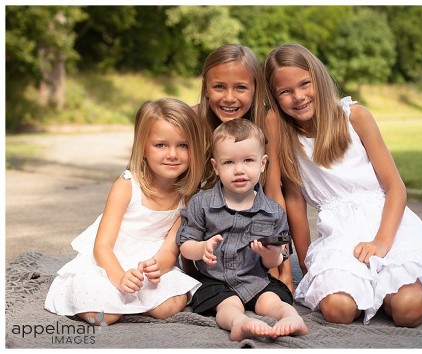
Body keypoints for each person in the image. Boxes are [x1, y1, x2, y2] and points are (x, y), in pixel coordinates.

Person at [263, 43, 422, 327]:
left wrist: (382, 242)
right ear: (275, 97)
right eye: (285, 91)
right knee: (338, 310)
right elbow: (292, 200)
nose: (298, 96)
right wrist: (304, 262)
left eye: (304, 84)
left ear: (319, 79)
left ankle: (386, 288)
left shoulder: (354, 117)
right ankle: (363, 287)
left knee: (409, 310)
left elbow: (396, 188)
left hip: (387, 226)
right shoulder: (279, 127)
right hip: (339, 235)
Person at [44, 97, 206, 325]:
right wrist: (119, 277)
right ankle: (117, 300)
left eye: (183, 145)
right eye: (161, 145)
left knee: (170, 306)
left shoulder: (188, 196)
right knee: (104, 316)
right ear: (144, 148)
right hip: (109, 261)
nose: (172, 154)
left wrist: (156, 266)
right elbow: (102, 246)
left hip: (147, 265)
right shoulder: (127, 185)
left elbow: (171, 248)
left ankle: (134, 301)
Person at [176, 119, 308, 341]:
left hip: (254, 278)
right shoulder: (202, 203)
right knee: (228, 304)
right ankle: (239, 323)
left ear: (263, 163)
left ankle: (292, 318)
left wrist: (271, 256)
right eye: (228, 162)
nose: (239, 170)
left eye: (248, 160)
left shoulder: (273, 211)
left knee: (272, 300)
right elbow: (185, 245)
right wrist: (201, 249)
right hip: (215, 280)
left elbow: (276, 259)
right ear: (216, 167)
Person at [186, 43, 294, 292]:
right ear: (206, 87)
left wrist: (285, 271)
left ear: (255, 88)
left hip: (251, 232)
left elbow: (274, 191)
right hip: (206, 225)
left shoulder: (268, 120)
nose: (229, 97)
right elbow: (185, 192)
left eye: (241, 87)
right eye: (219, 87)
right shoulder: (195, 118)